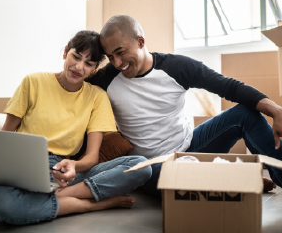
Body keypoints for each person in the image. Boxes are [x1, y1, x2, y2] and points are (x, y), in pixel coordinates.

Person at [89, 15, 282, 198]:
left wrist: (275, 110)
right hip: (151, 166)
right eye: (110, 57)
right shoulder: (107, 78)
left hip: (191, 146)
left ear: (140, 41)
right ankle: (235, 178)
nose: (117, 62)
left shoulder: (176, 67)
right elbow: (76, 93)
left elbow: (228, 87)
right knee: (158, 175)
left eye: (120, 53)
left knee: (245, 114)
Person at [0, 30, 152, 225]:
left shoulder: (97, 97)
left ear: (94, 69)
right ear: (66, 52)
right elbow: (6, 136)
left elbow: (92, 157)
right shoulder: (33, 81)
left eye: (88, 63)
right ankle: (90, 205)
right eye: (76, 56)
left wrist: (74, 165)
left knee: (141, 165)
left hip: (64, 171)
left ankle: (62, 196)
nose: (79, 67)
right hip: (25, 166)